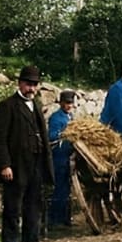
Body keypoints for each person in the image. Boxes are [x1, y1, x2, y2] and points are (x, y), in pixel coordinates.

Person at [0, 65, 54, 242]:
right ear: (20, 83)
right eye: (28, 84)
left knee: (34, 205)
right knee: (12, 206)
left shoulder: (35, 106)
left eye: (35, 85)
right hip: (16, 165)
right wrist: (4, 165)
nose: (31, 89)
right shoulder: (7, 106)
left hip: (35, 163)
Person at [47, 89, 77, 229]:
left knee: (67, 189)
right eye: (66, 103)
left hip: (68, 157)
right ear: (61, 103)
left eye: (71, 103)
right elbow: (52, 136)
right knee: (59, 189)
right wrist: (64, 134)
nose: (69, 106)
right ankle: (54, 220)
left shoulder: (71, 117)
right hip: (59, 157)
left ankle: (66, 218)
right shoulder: (56, 118)